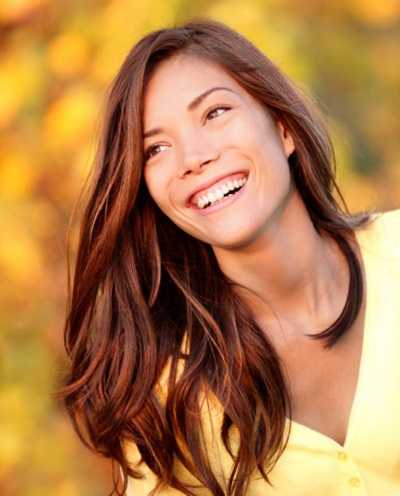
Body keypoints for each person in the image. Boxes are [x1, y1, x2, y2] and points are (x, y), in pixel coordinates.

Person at [59, 18, 400, 496]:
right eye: (156, 148)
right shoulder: (164, 398)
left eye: (215, 113)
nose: (193, 158)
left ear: (283, 128)